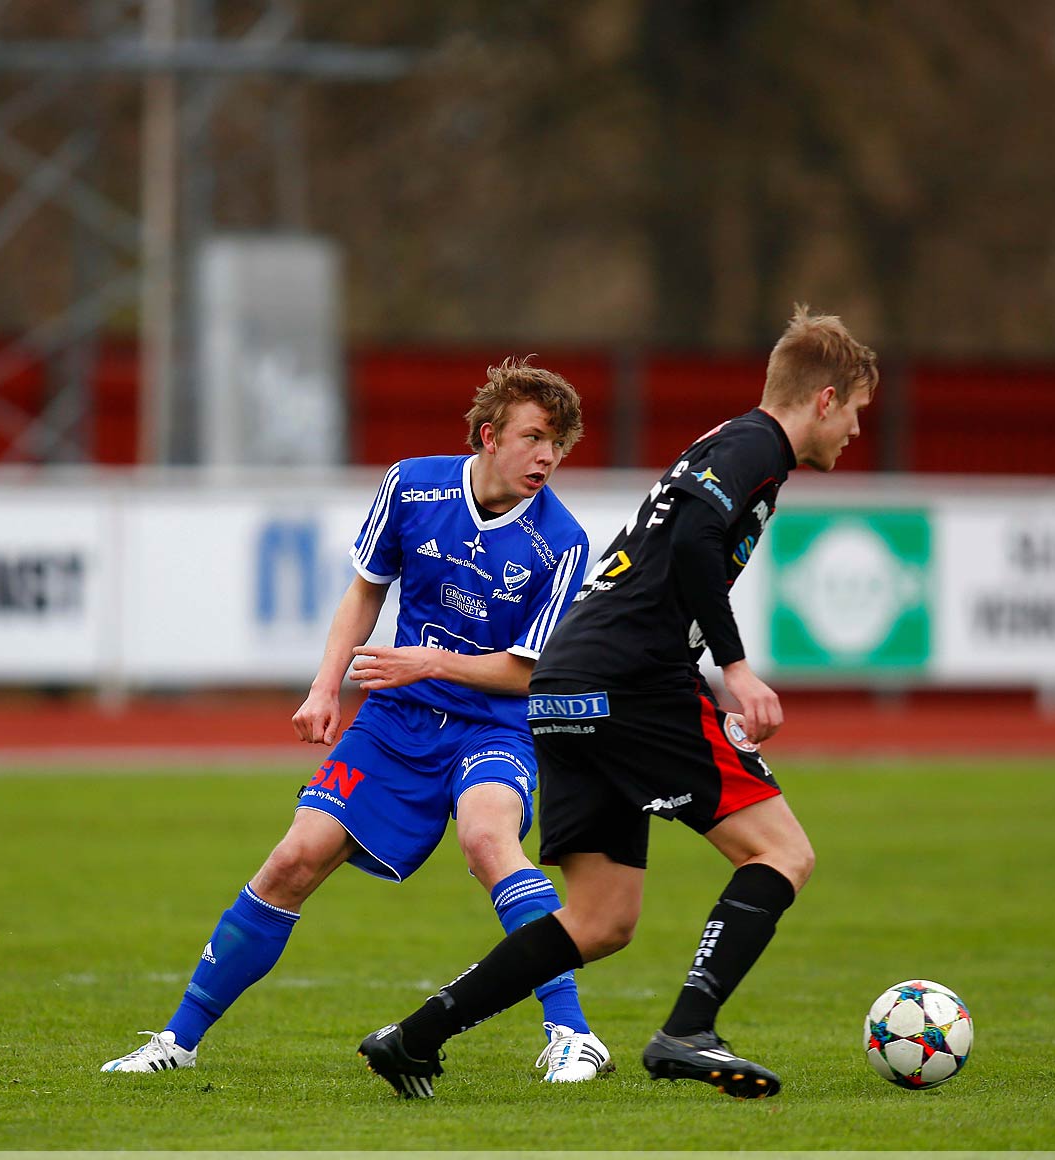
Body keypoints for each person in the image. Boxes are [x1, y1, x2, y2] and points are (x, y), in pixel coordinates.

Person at [357, 305, 877, 1101]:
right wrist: (737, 668)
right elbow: (699, 542)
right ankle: (688, 1030)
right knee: (783, 853)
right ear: (827, 398)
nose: (855, 434)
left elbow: (683, 542)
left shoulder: (729, 444)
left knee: (602, 921)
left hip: (568, 682)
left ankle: (414, 1038)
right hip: (633, 679)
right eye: (858, 414)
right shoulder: (754, 445)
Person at [101, 359, 611, 1081]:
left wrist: (426, 662)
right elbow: (365, 591)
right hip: (397, 719)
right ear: (490, 436)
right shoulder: (412, 484)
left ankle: (572, 1035)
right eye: (534, 438)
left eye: (559, 444)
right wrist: (324, 686)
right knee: (291, 860)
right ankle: (176, 1044)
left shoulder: (560, 541)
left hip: (496, 725)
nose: (547, 457)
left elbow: (526, 672)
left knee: (489, 838)